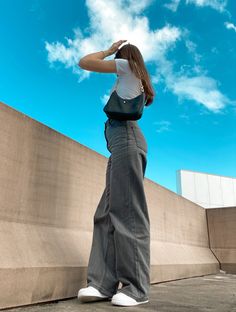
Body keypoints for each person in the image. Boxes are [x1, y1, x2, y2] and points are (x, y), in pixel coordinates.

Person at [77, 40, 155, 307]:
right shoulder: (136, 75)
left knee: (128, 211)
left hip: (126, 139)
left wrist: (110, 51)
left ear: (125, 56)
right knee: (106, 213)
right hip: (121, 144)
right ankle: (101, 283)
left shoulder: (127, 65)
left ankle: (136, 288)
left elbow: (84, 62)